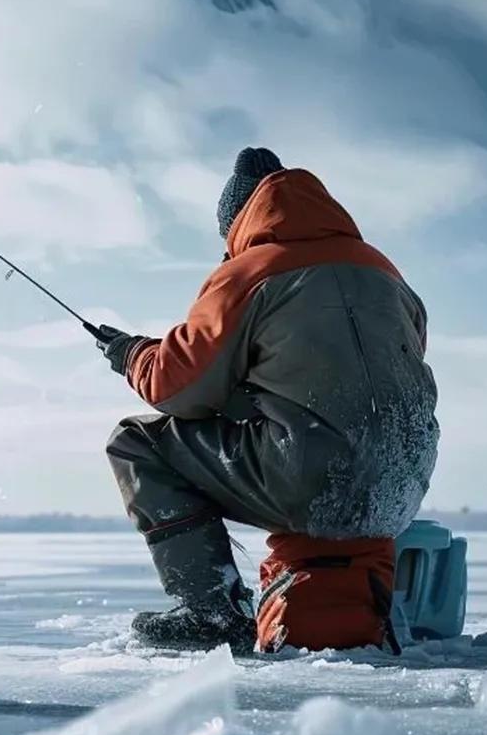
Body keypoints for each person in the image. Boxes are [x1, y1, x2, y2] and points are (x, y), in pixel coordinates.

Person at [93, 147, 438, 652]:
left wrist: (131, 354)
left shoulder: (250, 272)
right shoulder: (385, 272)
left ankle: (211, 610)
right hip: (403, 485)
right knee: (320, 434)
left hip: (309, 475)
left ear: (239, 220)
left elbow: (177, 387)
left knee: (136, 442)